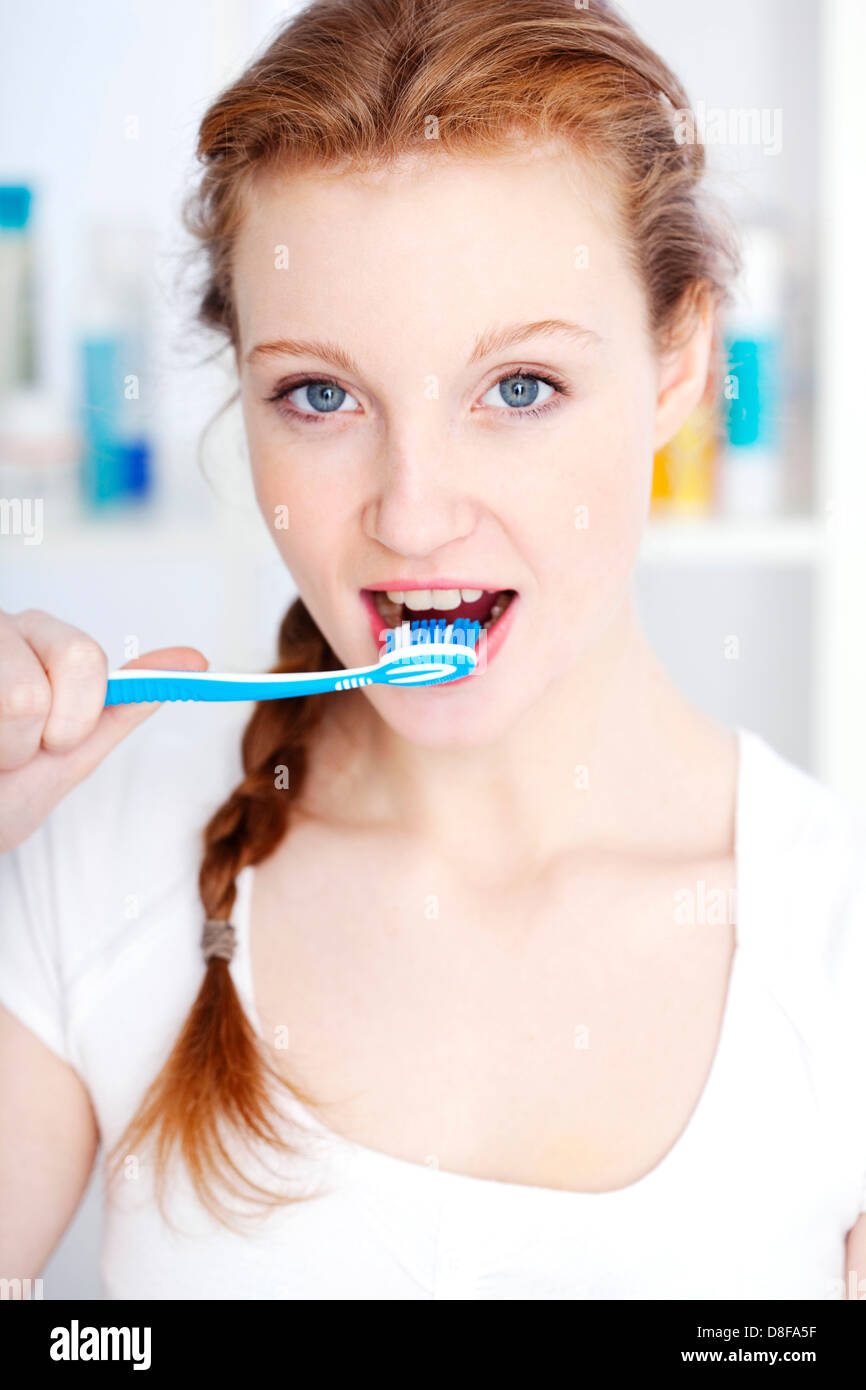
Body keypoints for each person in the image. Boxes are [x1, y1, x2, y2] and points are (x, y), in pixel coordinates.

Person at [1, 0, 864, 1300]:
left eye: (518, 388)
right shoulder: (97, 866)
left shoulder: (833, 949)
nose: (411, 514)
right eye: (319, 395)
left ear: (681, 363)